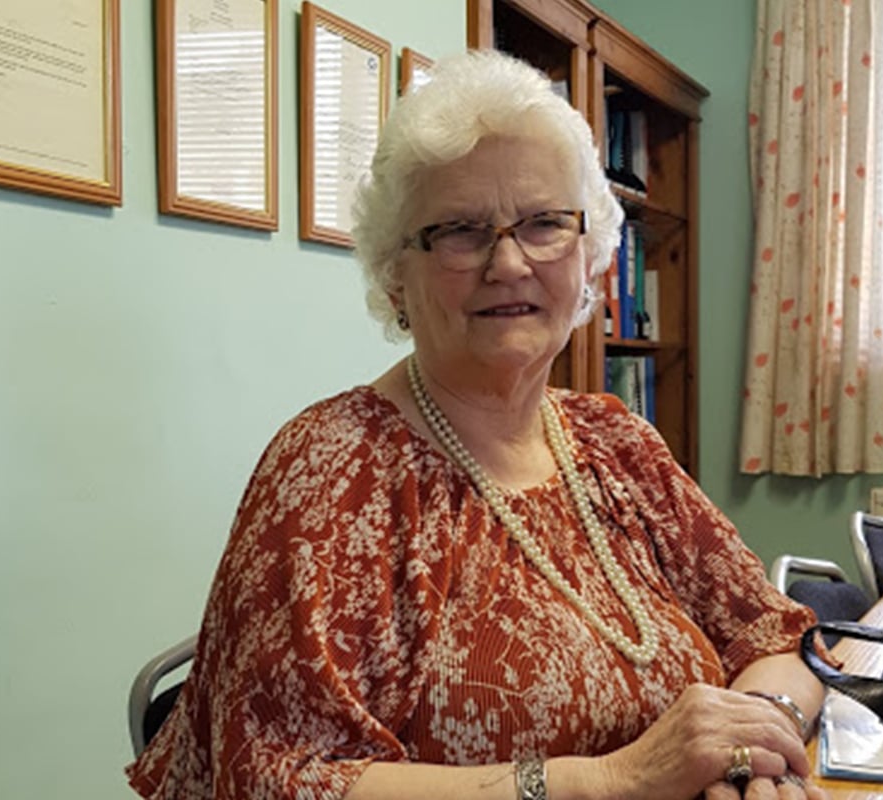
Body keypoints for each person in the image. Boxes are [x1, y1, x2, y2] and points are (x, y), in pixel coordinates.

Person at [127, 49, 827, 800]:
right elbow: (280, 781)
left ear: (590, 255)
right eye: (461, 230)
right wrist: (612, 780)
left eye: (543, 224)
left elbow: (774, 637)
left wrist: (755, 738)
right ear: (397, 272)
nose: (509, 262)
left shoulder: (615, 443)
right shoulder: (332, 476)